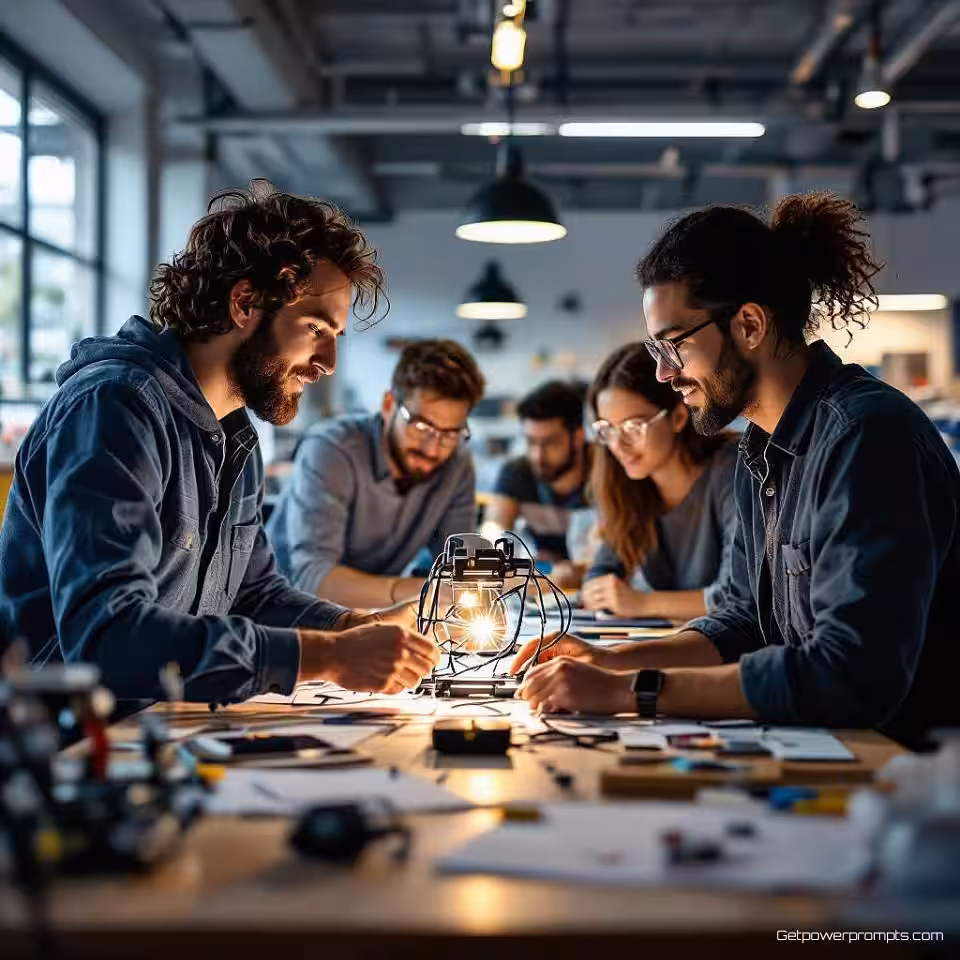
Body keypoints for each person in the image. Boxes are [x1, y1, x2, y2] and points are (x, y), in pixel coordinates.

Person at [513, 191, 960, 748]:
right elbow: (742, 621)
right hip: (825, 747)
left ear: (749, 324)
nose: (661, 373)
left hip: (903, 772)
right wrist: (609, 659)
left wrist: (633, 690)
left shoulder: (866, 436)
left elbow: (851, 672)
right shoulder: (760, 448)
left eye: (672, 346)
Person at [0, 184, 437, 704]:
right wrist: (328, 658)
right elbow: (106, 639)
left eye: (335, 337)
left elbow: (252, 594)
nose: (328, 363)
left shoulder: (234, 434)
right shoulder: (115, 408)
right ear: (245, 303)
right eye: (316, 328)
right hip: (65, 749)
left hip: (160, 728)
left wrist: (352, 627)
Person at [266, 339, 485, 609]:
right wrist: (421, 590)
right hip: (284, 614)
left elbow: (461, 567)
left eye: (450, 433)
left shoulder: (457, 465)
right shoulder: (332, 449)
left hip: (371, 614)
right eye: (420, 425)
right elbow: (313, 579)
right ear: (389, 403)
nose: (432, 448)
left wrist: (474, 584)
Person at [581, 342, 738, 622]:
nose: (618, 445)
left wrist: (642, 604)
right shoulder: (630, 486)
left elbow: (736, 595)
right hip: (682, 643)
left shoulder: (732, 470)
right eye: (608, 429)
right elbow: (603, 570)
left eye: (633, 426)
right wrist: (600, 590)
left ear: (678, 417)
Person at [487, 380, 591, 586]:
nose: (538, 456)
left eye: (550, 443)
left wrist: (579, 569)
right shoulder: (516, 472)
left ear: (578, 437)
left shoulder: (605, 471)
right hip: (547, 584)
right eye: (531, 442)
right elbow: (493, 533)